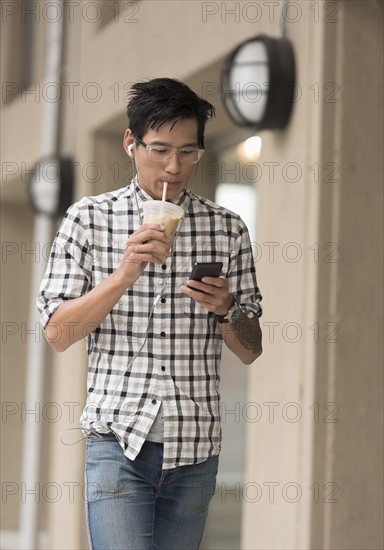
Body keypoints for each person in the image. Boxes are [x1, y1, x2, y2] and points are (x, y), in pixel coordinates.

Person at [37, 78, 263, 550]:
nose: (174, 166)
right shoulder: (88, 219)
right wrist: (123, 274)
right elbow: (58, 332)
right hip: (118, 440)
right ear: (130, 143)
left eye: (188, 151)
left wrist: (226, 309)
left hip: (195, 446)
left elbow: (251, 348)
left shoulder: (228, 228)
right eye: (159, 149)